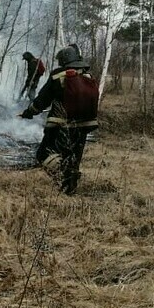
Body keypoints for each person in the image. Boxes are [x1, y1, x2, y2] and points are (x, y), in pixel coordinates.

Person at [19, 44, 99, 195]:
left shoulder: (58, 75)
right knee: (73, 159)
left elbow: (42, 100)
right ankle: (69, 190)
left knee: (43, 154)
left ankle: (62, 173)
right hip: (83, 126)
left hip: (59, 125)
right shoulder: (87, 75)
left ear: (63, 61)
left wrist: (29, 112)